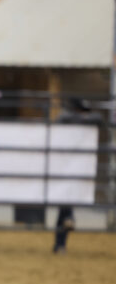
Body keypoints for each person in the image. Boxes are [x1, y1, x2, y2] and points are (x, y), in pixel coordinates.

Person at [53, 98, 101, 254]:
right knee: (66, 203)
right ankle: (61, 240)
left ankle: (60, 244)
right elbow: (62, 120)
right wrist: (81, 119)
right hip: (63, 165)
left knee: (65, 206)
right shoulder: (64, 119)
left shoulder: (75, 120)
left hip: (74, 165)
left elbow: (98, 119)